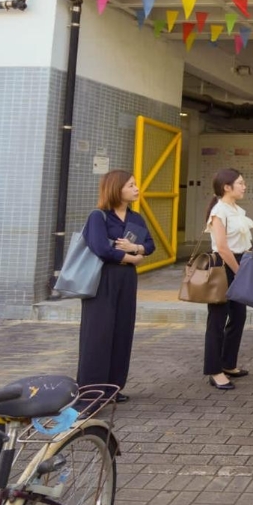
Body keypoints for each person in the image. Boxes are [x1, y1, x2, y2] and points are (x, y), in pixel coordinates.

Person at [78, 170, 154, 403]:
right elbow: (101, 248)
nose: (136, 189)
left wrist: (136, 249)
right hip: (102, 279)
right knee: (98, 334)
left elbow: (150, 245)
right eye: (131, 185)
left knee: (122, 331)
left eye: (135, 184)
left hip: (127, 279)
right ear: (115, 188)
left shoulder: (136, 218)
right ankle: (91, 392)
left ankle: (113, 388)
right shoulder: (98, 216)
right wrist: (133, 258)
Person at [204, 168, 253, 390]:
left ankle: (228, 363)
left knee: (238, 316)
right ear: (227, 187)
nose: (244, 186)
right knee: (217, 320)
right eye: (240, 183)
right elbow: (223, 247)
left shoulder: (237, 209)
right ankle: (215, 370)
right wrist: (239, 271)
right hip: (225, 265)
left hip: (239, 263)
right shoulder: (219, 211)